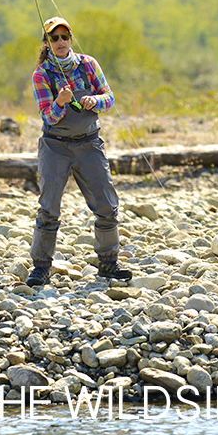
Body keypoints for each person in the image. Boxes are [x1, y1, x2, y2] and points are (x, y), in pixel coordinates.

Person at [26, 16, 132, 287]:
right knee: (48, 208)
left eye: (64, 37)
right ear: (47, 43)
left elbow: (109, 98)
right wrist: (61, 102)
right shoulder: (41, 75)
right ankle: (41, 267)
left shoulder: (89, 65)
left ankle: (108, 264)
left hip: (89, 144)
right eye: (54, 38)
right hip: (55, 147)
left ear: (70, 38)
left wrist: (94, 100)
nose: (60, 42)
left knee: (107, 206)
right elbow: (48, 117)